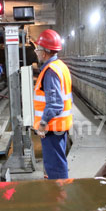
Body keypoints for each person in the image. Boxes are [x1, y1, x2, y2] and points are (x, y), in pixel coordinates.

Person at [33, 29, 73, 180]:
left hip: (52, 128)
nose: (36, 52)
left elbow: (55, 104)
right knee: (57, 163)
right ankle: (58, 192)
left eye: (37, 49)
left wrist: (42, 125)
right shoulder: (61, 66)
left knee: (55, 167)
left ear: (44, 53)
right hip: (59, 126)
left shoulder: (50, 72)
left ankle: (59, 197)